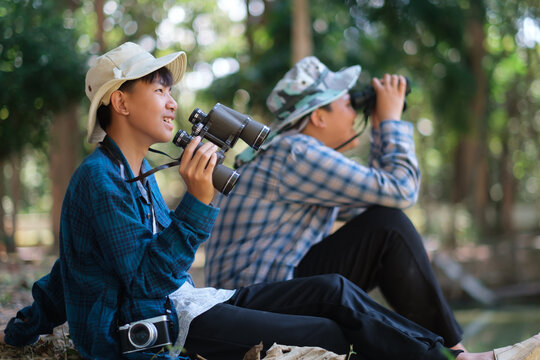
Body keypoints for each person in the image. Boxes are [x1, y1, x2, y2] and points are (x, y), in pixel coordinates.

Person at [1, 42, 538, 360]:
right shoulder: (100, 180)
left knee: (333, 289)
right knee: (330, 332)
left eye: (169, 87)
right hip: (166, 330)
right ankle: (447, 355)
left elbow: (68, 272)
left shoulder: (134, 171)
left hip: (197, 302)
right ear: (120, 100)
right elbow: (145, 285)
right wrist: (198, 204)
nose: (171, 98)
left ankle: (452, 355)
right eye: (158, 87)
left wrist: (19, 329)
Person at [204, 56, 464, 349]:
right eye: (348, 103)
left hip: (264, 294)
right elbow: (401, 190)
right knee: (390, 227)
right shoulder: (296, 152)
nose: (355, 112)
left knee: (385, 225)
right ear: (319, 116)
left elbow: (376, 205)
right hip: (254, 307)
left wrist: (380, 129)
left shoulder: (288, 152)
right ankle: (454, 352)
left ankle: (447, 351)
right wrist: (391, 121)